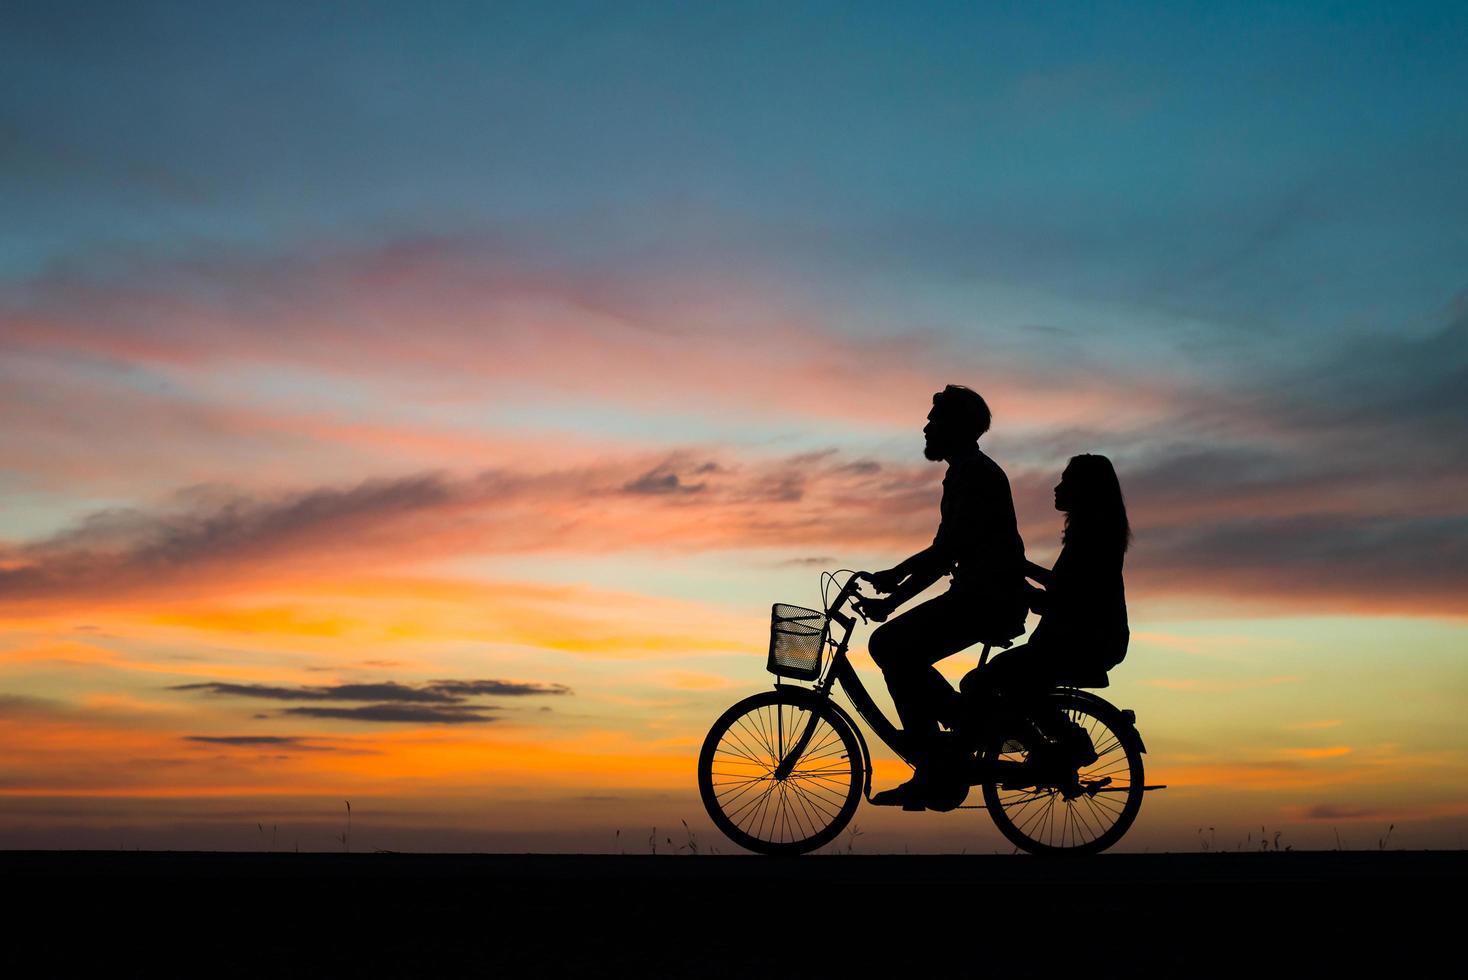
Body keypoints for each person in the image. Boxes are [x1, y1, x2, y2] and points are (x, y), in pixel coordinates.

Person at [855, 385, 1028, 809]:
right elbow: (944, 548)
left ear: (957, 427)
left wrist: (893, 596)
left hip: (987, 599)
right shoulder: (964, 473)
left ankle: (935, 765)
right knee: (896, 649)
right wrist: (896, 578)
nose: (927, 428)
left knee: (889, 645)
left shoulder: (975, 475)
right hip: (979, 595)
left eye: (935, 420)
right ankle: (959, 735)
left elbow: (947, 552)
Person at [959, 453, 1131, 764]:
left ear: (1084, 489)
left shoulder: (1091, 539)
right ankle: (1042, 745)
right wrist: (1019, 571)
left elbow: (1068, 598)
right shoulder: (1094, 536)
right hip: (1084, 640)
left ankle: (1060, 743)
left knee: (983, 683)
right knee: (997, 682)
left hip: (1082, 643)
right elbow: (1064, 587)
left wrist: (1020, 585)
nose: (1057, 487)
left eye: (1066, 481)